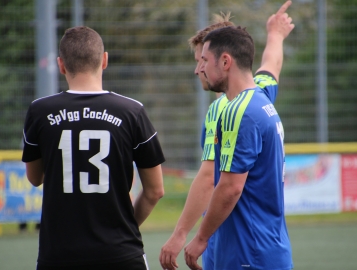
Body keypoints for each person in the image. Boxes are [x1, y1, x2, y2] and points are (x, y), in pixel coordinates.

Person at [160, 1, 294, 270]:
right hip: (266, 244)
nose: (198, 69)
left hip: (245, 252)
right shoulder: (260, 94)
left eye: (202, 60)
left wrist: (185, 235)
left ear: (225, 60)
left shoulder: (226, 109)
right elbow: (271, 65)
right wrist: (275, 35)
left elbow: (213, 178)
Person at [22, 26, 165, 270]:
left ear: (61, 64)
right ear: (105, 60)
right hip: (121, 253)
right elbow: (155, 191)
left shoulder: (39, 111)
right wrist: (126, 227)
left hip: (58, 255)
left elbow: (35, 178)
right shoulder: (132, 111)